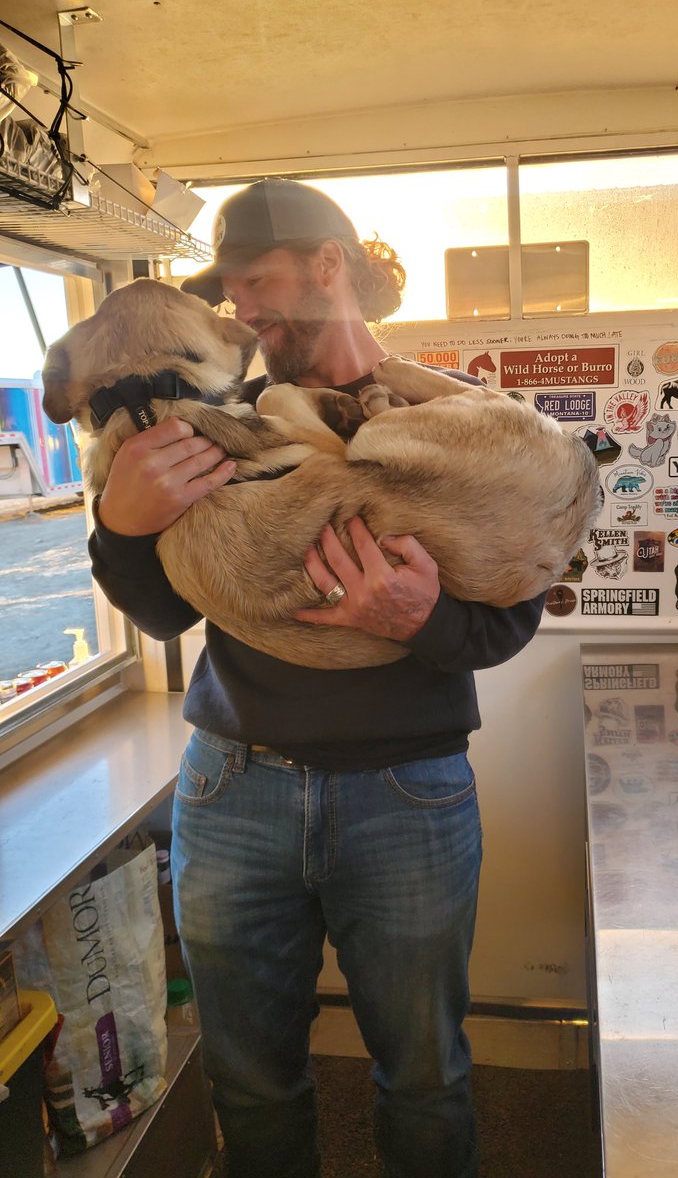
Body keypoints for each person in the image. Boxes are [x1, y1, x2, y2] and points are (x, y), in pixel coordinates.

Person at [88, 178, 546, 1178]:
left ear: (326, 267)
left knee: (426, 1079)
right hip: (229, 788)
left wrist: (421, 617)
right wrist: (120, 526)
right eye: (233, 290)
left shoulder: (449, 418)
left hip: (407, 793)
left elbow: (510, 618)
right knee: (249, 1084)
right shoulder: (223, 422)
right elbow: (166, 614)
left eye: (257, 281)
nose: (240, 310)